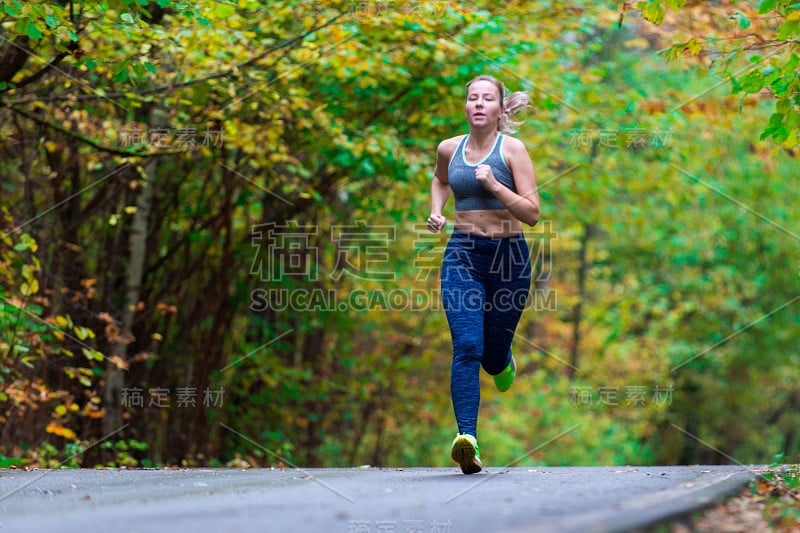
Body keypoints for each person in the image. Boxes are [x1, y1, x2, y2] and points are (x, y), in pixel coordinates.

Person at [427, 74, 540, 474]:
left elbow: (532, 213)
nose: (478, 104)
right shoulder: (448, 148)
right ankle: (468, 441)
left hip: (509, 259)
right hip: (463, 255)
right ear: (466, 106)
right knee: (467, 346)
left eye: (486, 98)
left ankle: (503, 358)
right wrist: (437, 209)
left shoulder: (512, 150)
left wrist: (495, 184)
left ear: (499, 108)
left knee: (491, 358)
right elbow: (440, 179)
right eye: (472, 98)